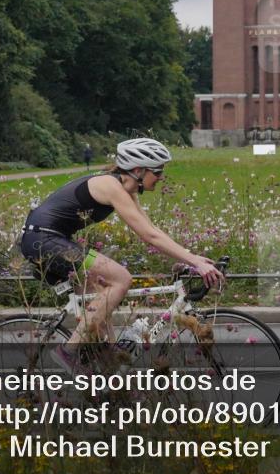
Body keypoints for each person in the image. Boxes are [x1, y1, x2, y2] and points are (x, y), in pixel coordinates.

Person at [18, 138, 225, 373]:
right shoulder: (110, 186)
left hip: (51, 239)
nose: (161, 177)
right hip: (43, 240)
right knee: (121, 278)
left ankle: (109, 369)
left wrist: (190, 257)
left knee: (102, 293)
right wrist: (195, 261)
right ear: (138, 170)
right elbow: (149, 236)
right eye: (157, 171)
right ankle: (68, 351)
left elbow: (152, 230)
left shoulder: (127, 190)